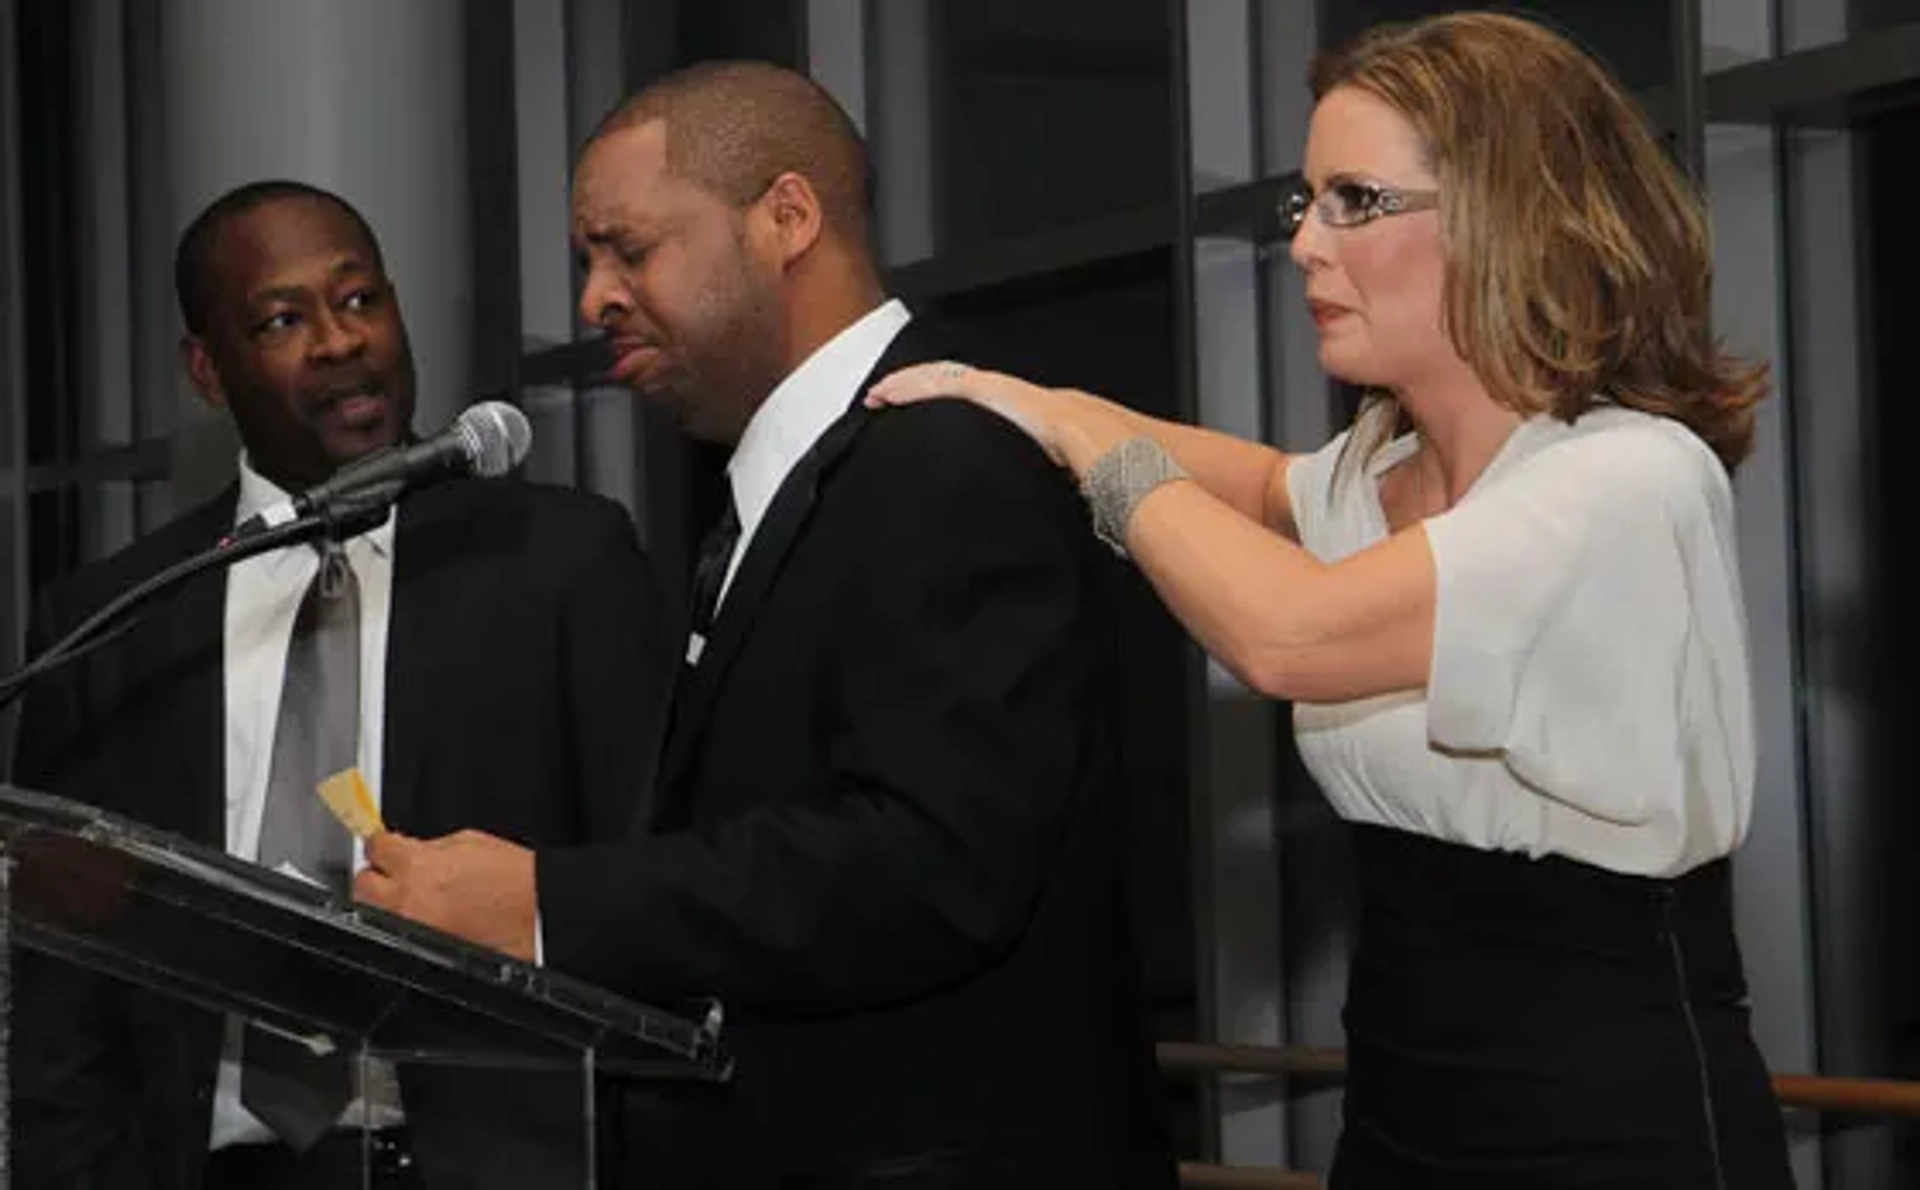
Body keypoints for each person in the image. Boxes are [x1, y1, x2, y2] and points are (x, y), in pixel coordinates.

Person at [866, 11, 1796, 1190]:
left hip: (1609, 1116)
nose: (1306, 245)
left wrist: (1084, 439)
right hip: (1407, 1100)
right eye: (1302, 203)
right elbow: (1260, 484)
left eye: (1354, 200)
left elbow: (1290, 633)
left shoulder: (1623, 477)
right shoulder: (1376, 467)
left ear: (1516, 215)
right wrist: (1027, 398)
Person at [352, 61, 1177, 1190]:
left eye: (628, 249)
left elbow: (934, 862)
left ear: (787, 217)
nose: (592, 298)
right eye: (587, 261)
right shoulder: (793, 478)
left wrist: (550, 901)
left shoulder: (945, 451)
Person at [8, 179, 672, 1189]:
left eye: (360, 301)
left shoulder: (562, 562)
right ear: (207, 369)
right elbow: (67, 990)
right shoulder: (120, 621)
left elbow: (648, 888)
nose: (338, 341)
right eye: (283, 319)